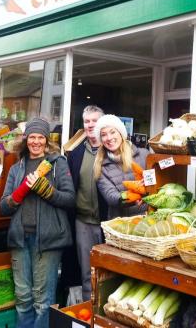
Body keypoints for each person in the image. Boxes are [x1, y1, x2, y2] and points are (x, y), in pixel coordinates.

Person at [0, 117, 75, 328]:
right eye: (31, 137)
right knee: (23, 299)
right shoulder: (17, 168)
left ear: (46, 140)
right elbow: (4, 207)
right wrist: (18, 194)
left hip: (48, 240)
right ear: (26, 140)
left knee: (42, 301)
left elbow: (70, 199)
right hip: (20, 239)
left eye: (40, 137)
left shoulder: (57, 164)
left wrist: (46, 190)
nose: (35, 142)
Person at [66, 105, 107, 302]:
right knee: (86, 272)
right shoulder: (75, 154)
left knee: (109, 271)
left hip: (108, 222)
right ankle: (86, 312)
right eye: (87, 121)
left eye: (95, 121)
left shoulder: (111, 151)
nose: (90, 125)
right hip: (83, 222)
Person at [93, 114, 149, 218]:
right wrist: (133, 196)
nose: (109, 138)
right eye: (104, 135)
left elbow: (157, 183)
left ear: (121, 133)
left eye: (113, 132)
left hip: (147, 218)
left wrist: (148, 185)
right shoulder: (100, 165)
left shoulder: (144, 155)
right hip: (120, 222)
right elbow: (111, 196)